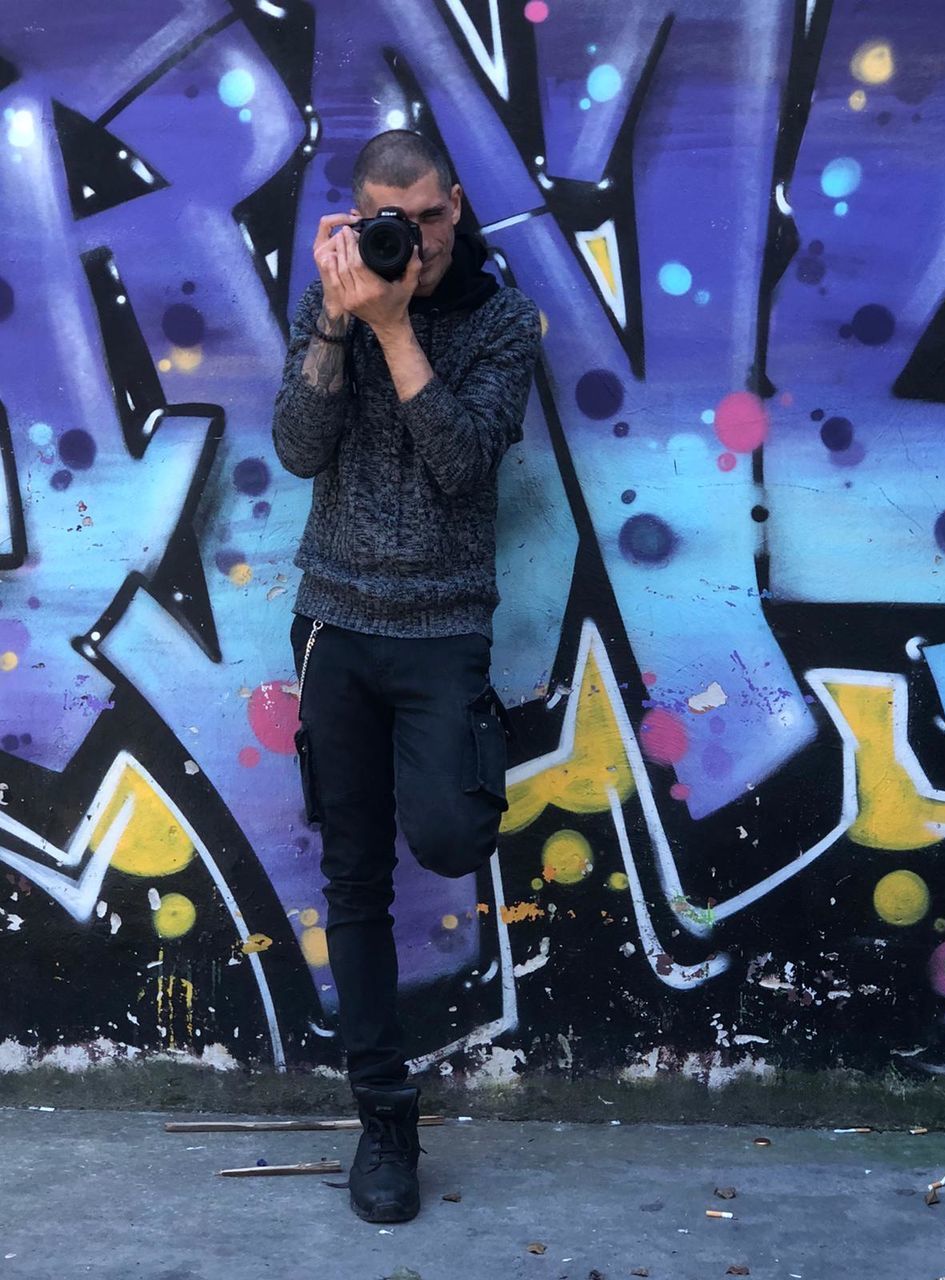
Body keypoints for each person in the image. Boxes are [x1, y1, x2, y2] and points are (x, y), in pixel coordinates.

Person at [272, 129, 541, 1223]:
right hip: (335, 620)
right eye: (392, 219)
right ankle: (386, 1121)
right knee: (355, 883)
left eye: (429, 218)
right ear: (355, 214)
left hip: (441, 633)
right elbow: (298, 445)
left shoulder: (498, 317)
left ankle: (468, 762)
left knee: (448, 836)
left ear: (458, 205)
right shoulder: (335, 295)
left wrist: (398, 332)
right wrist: (343, 323)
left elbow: (464, 461)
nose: (413, 241)